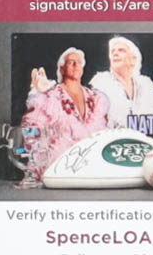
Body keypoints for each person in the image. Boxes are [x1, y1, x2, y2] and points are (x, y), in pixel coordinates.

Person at [20, 48, 109, 183]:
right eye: (71, 62)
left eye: (79, 62)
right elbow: (31, 131)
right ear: (61, 69)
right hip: (59, 169)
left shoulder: (96, 99)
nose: (76, 65)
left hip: (91, 169)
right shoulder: (49, 97)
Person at [88, 36, 153, 127]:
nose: (115, 53)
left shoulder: (148, 88)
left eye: (121, 50)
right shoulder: (99, 87)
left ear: (134, 59)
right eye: (112, 51)